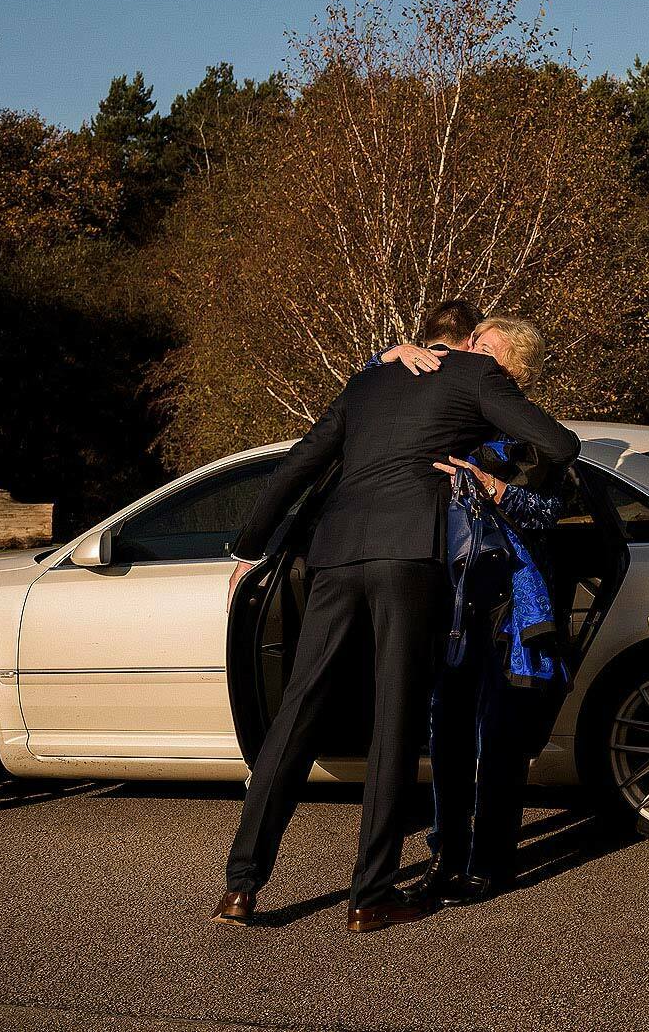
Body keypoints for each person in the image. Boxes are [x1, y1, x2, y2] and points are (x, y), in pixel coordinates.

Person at [211, 301, 579, 933]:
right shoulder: (476, 378)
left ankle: (240, 886)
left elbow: (298, 465)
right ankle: (371, 892)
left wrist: (249, 550)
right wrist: (489, 473)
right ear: (468, 344)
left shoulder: (371, 378)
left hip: (337, 553)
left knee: (299, 709)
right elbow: (560, 443)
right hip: (411, 557)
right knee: (396, 721)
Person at [373, 317, 577, 905]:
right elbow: (367, 407)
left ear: (513, 369)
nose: (470, 356)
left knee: (501, 739)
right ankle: (447, 856)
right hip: (447, 602)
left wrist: (495, 488)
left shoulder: (530, 435)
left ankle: (490, 861)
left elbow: (549, 513)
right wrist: (392, 354)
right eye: (471, 346)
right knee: (449, 734)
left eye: (486, 350)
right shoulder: (447, 422)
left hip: (508, 607)